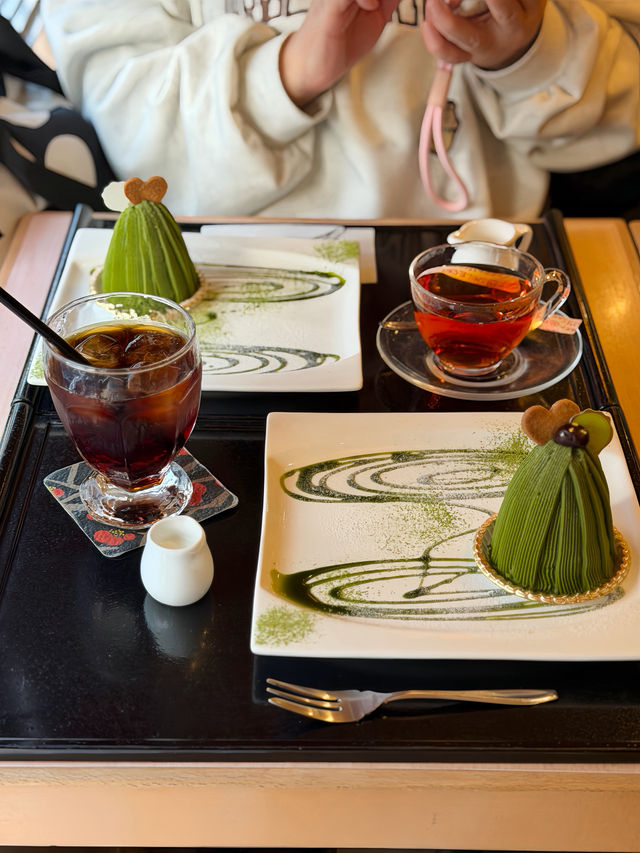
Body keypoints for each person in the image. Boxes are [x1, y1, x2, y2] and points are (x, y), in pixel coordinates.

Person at [40, 0, 640, 222]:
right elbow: (137, 139)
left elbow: (624, 107)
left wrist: (526, 50)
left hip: (486, 276)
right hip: (224, 279)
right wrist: (290, 73)